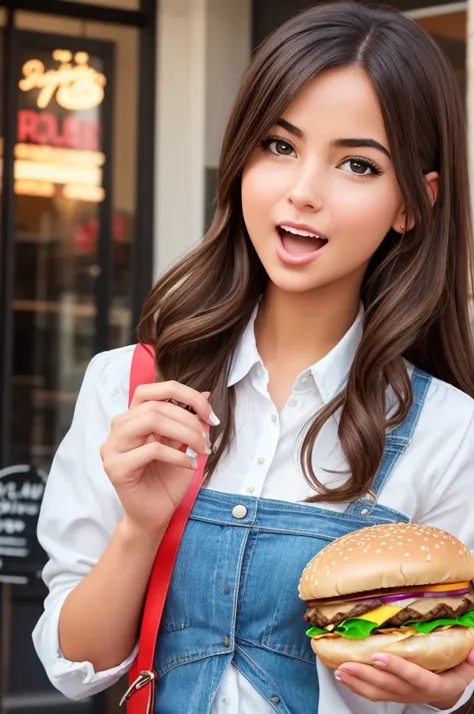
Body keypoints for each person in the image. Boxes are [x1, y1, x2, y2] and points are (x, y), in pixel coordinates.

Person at [33, 3, 474, 713]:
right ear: (240, 156)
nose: (304, 191)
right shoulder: (130, 387)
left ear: (411, 205)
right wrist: (142, 528)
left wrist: (456, 691)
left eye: (357, 164)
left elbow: (453, 662)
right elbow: (76, 667)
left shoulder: (451, 431)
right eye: (279, 146)